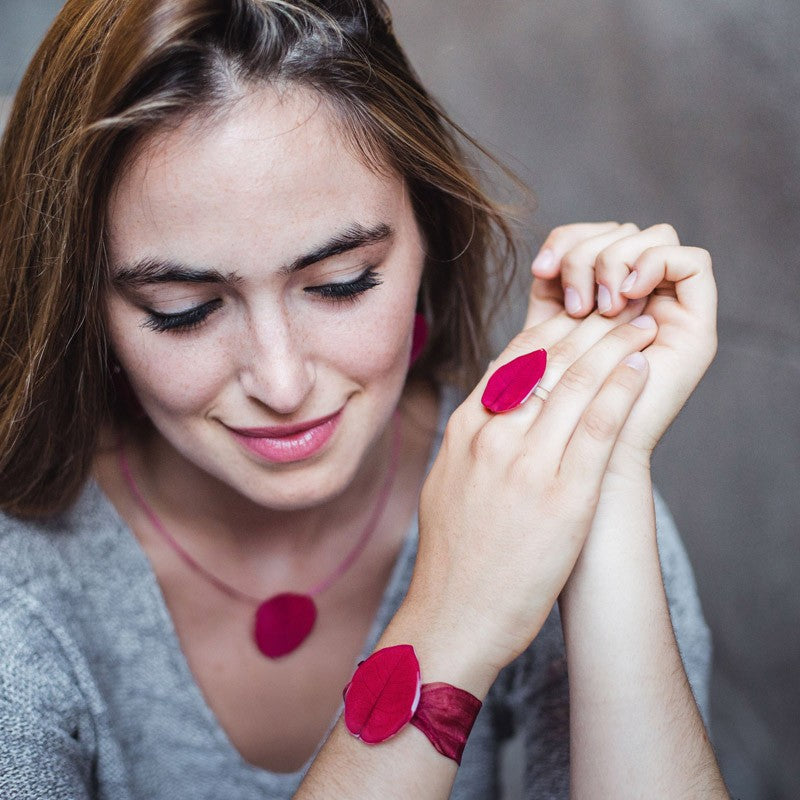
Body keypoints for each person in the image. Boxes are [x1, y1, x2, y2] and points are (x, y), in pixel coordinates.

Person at [0, 0, 729, 797]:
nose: (282, 385)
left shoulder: (527, 490)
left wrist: (598, 456)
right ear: (81, 302)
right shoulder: (23, 578)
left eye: (342, 284)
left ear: (428, 234)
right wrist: (450, 624)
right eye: (186, 310)